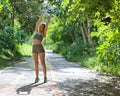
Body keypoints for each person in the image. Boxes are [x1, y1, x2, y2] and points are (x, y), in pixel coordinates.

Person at [32, 13, 50, 83]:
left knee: (42, 63)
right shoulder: (36, 30)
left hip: (40, 47)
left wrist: (48, 18)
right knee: (36, 63)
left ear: (43, 28)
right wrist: (42, 15)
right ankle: (37, 77)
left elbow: (47, 25)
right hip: (34, 47)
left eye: (42, 27)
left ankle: (45, 77)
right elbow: (38, 22)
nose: (40, 27)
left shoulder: (43, 33)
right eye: (40, 26)